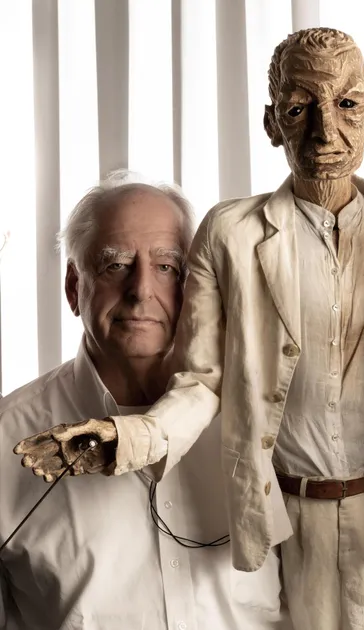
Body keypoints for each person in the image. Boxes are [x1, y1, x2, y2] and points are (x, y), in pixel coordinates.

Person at [13, 31, 364, 630]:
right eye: (298, 109)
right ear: (271, 123)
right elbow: (203, 382)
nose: (325, 131)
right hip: (274, 517)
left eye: (346, 105)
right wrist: (127, 439)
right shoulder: (229, 234)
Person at [0, 173, 290, 630]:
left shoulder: (266, 415)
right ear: (74, 287)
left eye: (167, 267)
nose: (141, 290)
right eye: (115, 265)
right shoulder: (7, 438)